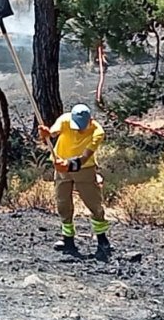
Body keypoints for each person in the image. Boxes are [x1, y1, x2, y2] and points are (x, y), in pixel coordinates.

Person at [38, 104, 110, 259]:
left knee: (94, 203)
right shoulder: (65, 120)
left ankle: (102, 240)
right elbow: (52, 133)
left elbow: (85, 157)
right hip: (61, 166)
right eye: (76, 126)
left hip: (84, 169)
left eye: (81, 127)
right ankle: (68, 239)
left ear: (90, 121)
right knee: (62, 203)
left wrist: (68, 165)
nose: (78, 130)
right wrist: (46, 134)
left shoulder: (97, 132)